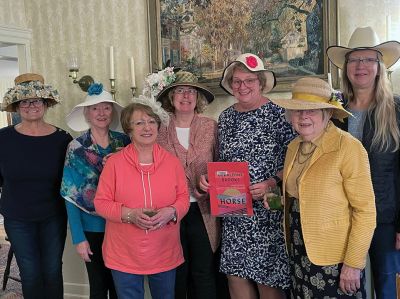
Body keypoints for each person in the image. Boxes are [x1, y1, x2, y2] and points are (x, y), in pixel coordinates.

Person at [269, 77, 376, 298]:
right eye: (298, 111)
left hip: (335, 260)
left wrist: (353, 263)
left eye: (313, 110)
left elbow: (365, 211)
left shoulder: (348, 148)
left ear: (327, 114)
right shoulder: (294, 147)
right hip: (299, 251)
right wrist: (278, 201)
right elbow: (303, 196)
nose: (304, 116)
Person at [200, 53, 296, 299]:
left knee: (267, 281)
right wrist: (211, 181)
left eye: (249, 80)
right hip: (234, 211)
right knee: (235, 277)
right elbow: (221, 161)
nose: (243, 86)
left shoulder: (280, 115)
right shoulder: (226, 118)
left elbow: (296, 162)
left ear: (261, 83)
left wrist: (271, 182)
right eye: (237, 81)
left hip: (268, 211)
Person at [327, 26, 400, 299]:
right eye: (354, 59)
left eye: (369, 59)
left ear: (379, 67)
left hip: (385, 219)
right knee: (347, 289)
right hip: (343, 218)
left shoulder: (397, 110)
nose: (361, 66)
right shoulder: (334, 112)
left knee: (387, 287)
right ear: (346, 68)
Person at [94, 95, 189, 299]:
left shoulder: (172, 163)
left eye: (151, 122)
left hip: (164, 249)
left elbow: (183, 198)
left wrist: (171, 212)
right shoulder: (114, 163)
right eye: (139, 123)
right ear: (129, 130)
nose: (147, 127)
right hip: (124, 251)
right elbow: (101, 203)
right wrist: (129, 214)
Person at [0, 73, 72, 299]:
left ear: (46, 103)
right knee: (30, 274)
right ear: (17, 107)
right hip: (17, 218)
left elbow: (71, 181)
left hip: (53, 216)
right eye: (25, 101)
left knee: (52, 270)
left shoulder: (62, 139)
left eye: (37, 100)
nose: (31, 105)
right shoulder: (3, 139)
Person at [156, 70, 222, 299]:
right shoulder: (158, 129)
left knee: (203, 271)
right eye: (180, 91)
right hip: (171, 210)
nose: (186, 96)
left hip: (205, 211)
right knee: (177, 272)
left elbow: (222, 165)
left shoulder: (211, 127)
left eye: (191, 91)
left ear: (198, 97)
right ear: (170, 98)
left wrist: (212, 181)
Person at [61, 83, 130, 299]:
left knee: (121, 286)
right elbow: (70, 195)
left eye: (106, 107)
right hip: (92, 229)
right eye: (94, 108)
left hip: (122, 225)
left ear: (113, 112)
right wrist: (78, 238)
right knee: (99, 287)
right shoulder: (76, 147)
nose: (101, 113)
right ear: (87, 114)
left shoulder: (125, 142)